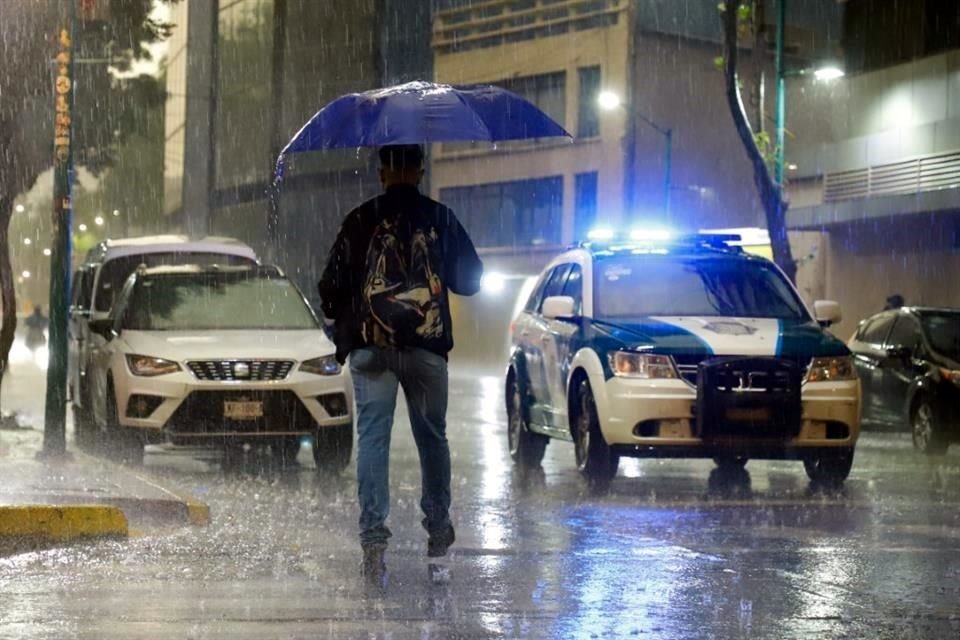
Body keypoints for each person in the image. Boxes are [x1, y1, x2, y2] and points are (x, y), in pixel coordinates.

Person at [318, 144, 483, 585]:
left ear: (381, 172)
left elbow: (329, 290)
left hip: (373, 350)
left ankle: (373, 540)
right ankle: (438, 527)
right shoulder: (440, 218)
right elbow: (471, 281)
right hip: (427, 352)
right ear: (420, 171)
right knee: (433, 438)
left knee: (373, 441)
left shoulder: (360, 219)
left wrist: (355, 310)